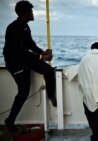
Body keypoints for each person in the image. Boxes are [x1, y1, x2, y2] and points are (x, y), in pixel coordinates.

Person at [2, 0, 57, 133]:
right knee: (24, 91)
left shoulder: (26, 27)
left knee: (48, 70)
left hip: (26, 58)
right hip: (15, 62)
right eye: (31, 11)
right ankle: (10, 120)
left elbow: (30, 45)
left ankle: (51, 95)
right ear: (26, 13)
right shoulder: (13, 28)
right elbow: (20, 50)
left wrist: (42, 52)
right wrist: (40, 57)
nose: (33, 13)